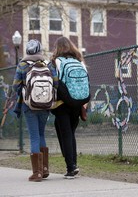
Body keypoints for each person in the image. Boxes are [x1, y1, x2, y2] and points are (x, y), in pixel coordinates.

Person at [12, 39, 58, 182]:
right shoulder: (48, 64)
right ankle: (44, 169)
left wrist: (25, 90)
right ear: (40, 50)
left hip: (29, 105)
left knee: (34, 136)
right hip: (45, 105)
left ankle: (36, 173)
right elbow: (55, 83)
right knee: (41, 134)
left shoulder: (22, 65)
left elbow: (15, 86)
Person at [51, 36, 88, 179]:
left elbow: (53, 82)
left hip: (62, 104)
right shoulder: (80, 62)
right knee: (70, 133)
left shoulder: (56, 62)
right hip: (77, 103)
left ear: (57, 48)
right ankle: (73, 163)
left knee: (66, 134)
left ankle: (71, 167)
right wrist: (83, 105)